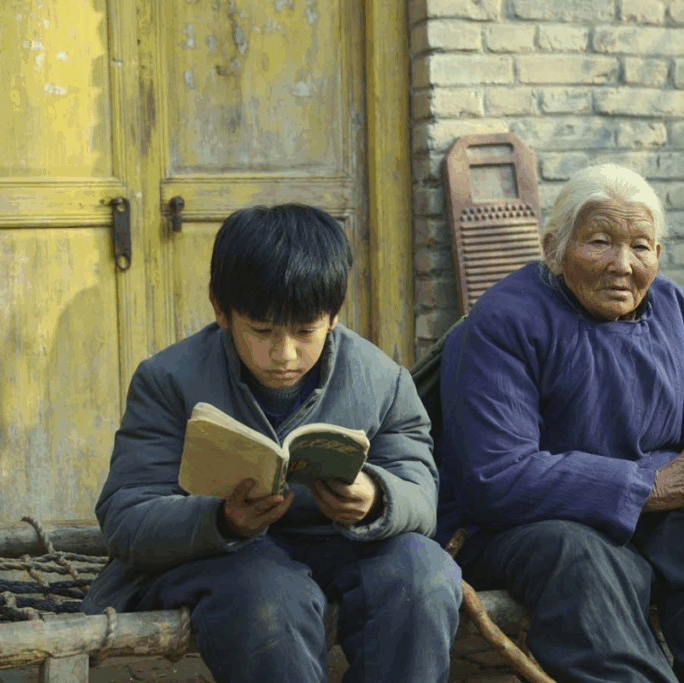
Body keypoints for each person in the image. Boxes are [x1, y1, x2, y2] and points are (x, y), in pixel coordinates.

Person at [435, 164, 684, 683]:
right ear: (553, 249)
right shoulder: (503, 322)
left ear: (658, 254)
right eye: (600, 242)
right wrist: (646, 485)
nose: (622, 265)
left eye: (641, 247)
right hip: (528, 523)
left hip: (653, 508)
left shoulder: (677, 311)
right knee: (584, 561)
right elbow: (496, 475)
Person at [82, 204, 462, 683]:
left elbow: (421, 492)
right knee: (268, 597)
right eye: (261, 331)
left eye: (306, 331)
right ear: (222, 310)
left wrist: (376, 497)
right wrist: (219, 520)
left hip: (339, 543)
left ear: (334, 316)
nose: (284, 355)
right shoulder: (168, 381)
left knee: (425, 575)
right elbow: (125, 517)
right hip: (222, 558)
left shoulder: (382, 380)